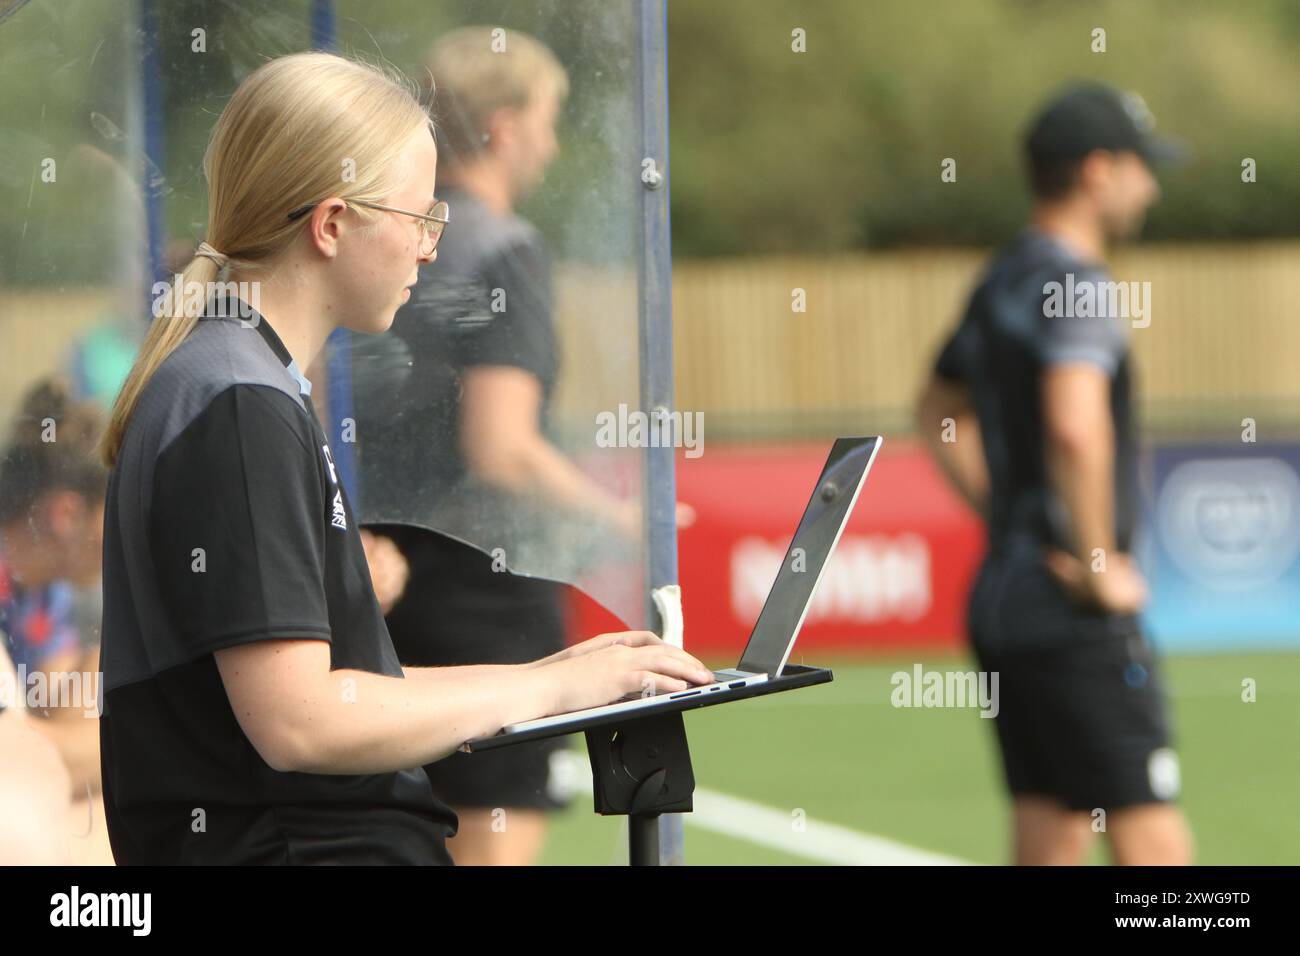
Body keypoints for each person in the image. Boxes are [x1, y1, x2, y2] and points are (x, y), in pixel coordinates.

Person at [95, 51, 714, 866]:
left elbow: (328, 695)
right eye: (420, 217)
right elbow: (299, 723)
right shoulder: (239, 400)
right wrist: (548, 687)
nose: (430, 246)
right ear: (331, 224)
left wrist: (558, 673)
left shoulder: (236, 378)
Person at [354, 26, 642, 867]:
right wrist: (622, 517)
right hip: (484, 586)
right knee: (492, 846)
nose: (553, 143)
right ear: (508, 126)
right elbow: (503, 447)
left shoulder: (401, 238)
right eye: (549, 118)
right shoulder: (504, 249)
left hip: (384, 576)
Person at [915, 84, 1194, 866]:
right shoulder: (1078, 279)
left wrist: (1005, 514)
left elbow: (935, 409)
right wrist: (1099, 562)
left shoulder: (1002, 275)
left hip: (1004, 596)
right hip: (1070, 607)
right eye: (1144, 167)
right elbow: (1076, 425)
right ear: (1098, 171)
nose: (1153, 187)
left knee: (1052, 824)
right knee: (1153, 841)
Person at [0, 376, 112, 864]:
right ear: (68, 514)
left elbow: (63, 720)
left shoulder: (43, 593)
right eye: (120, 509)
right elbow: (33, 758)